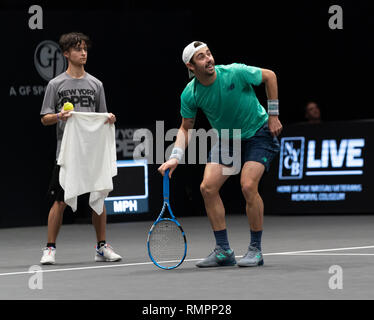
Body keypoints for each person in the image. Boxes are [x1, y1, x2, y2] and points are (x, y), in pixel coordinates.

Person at [158, 41, 282, 268]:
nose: (209, 59)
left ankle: (255, 249)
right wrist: (175, 156)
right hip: (228, 138)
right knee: (207, 188)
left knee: (247, 186)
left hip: (259, 132)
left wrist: (273, 115)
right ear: (191, 66)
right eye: (202, 57)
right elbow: (186, 128)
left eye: (209, 54)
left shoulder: (235, 72)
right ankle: (223, 251)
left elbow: (270, 76)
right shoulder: (190, 93)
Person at [39, 32, 122, 264]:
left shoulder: (96, 84)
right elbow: (45, 118)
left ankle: (101, 247)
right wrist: (59, 115)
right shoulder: (55, 84)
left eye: (85, 49)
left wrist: (110, 118)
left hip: (92, 152)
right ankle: (50, 249)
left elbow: (102, 116)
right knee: (60, 201)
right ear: (66, 53)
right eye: (77, 49)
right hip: (67, 153)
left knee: (98, 198)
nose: (83, 53)